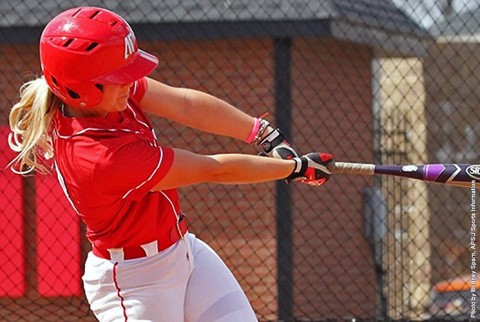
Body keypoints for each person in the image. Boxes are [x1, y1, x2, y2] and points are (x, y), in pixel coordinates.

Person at [8, 6, 333, 322]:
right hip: (135, 284)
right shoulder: (100, 157)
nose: (129, 82)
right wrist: (294, 168)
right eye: (117, 77)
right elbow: (213, 168)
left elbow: (186, 104)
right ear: (78, 88)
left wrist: (265, 135)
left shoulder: (106, 97)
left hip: (184, 253)